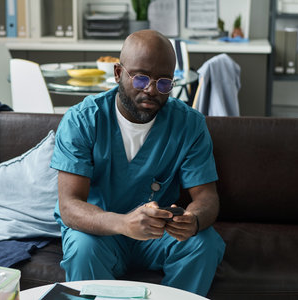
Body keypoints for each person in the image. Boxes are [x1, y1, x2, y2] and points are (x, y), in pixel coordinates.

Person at [50, 29, 226, 297]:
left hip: (158, 236)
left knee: (205, 243)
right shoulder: (82, 120)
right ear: (119, 73)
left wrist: (194, 219)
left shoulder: (190, 125)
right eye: (141, 78)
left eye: (164, 82)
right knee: (82, 247)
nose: (152, 90)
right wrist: (123, 223)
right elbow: (69, 206)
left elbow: (207, 197)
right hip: (101, 233)